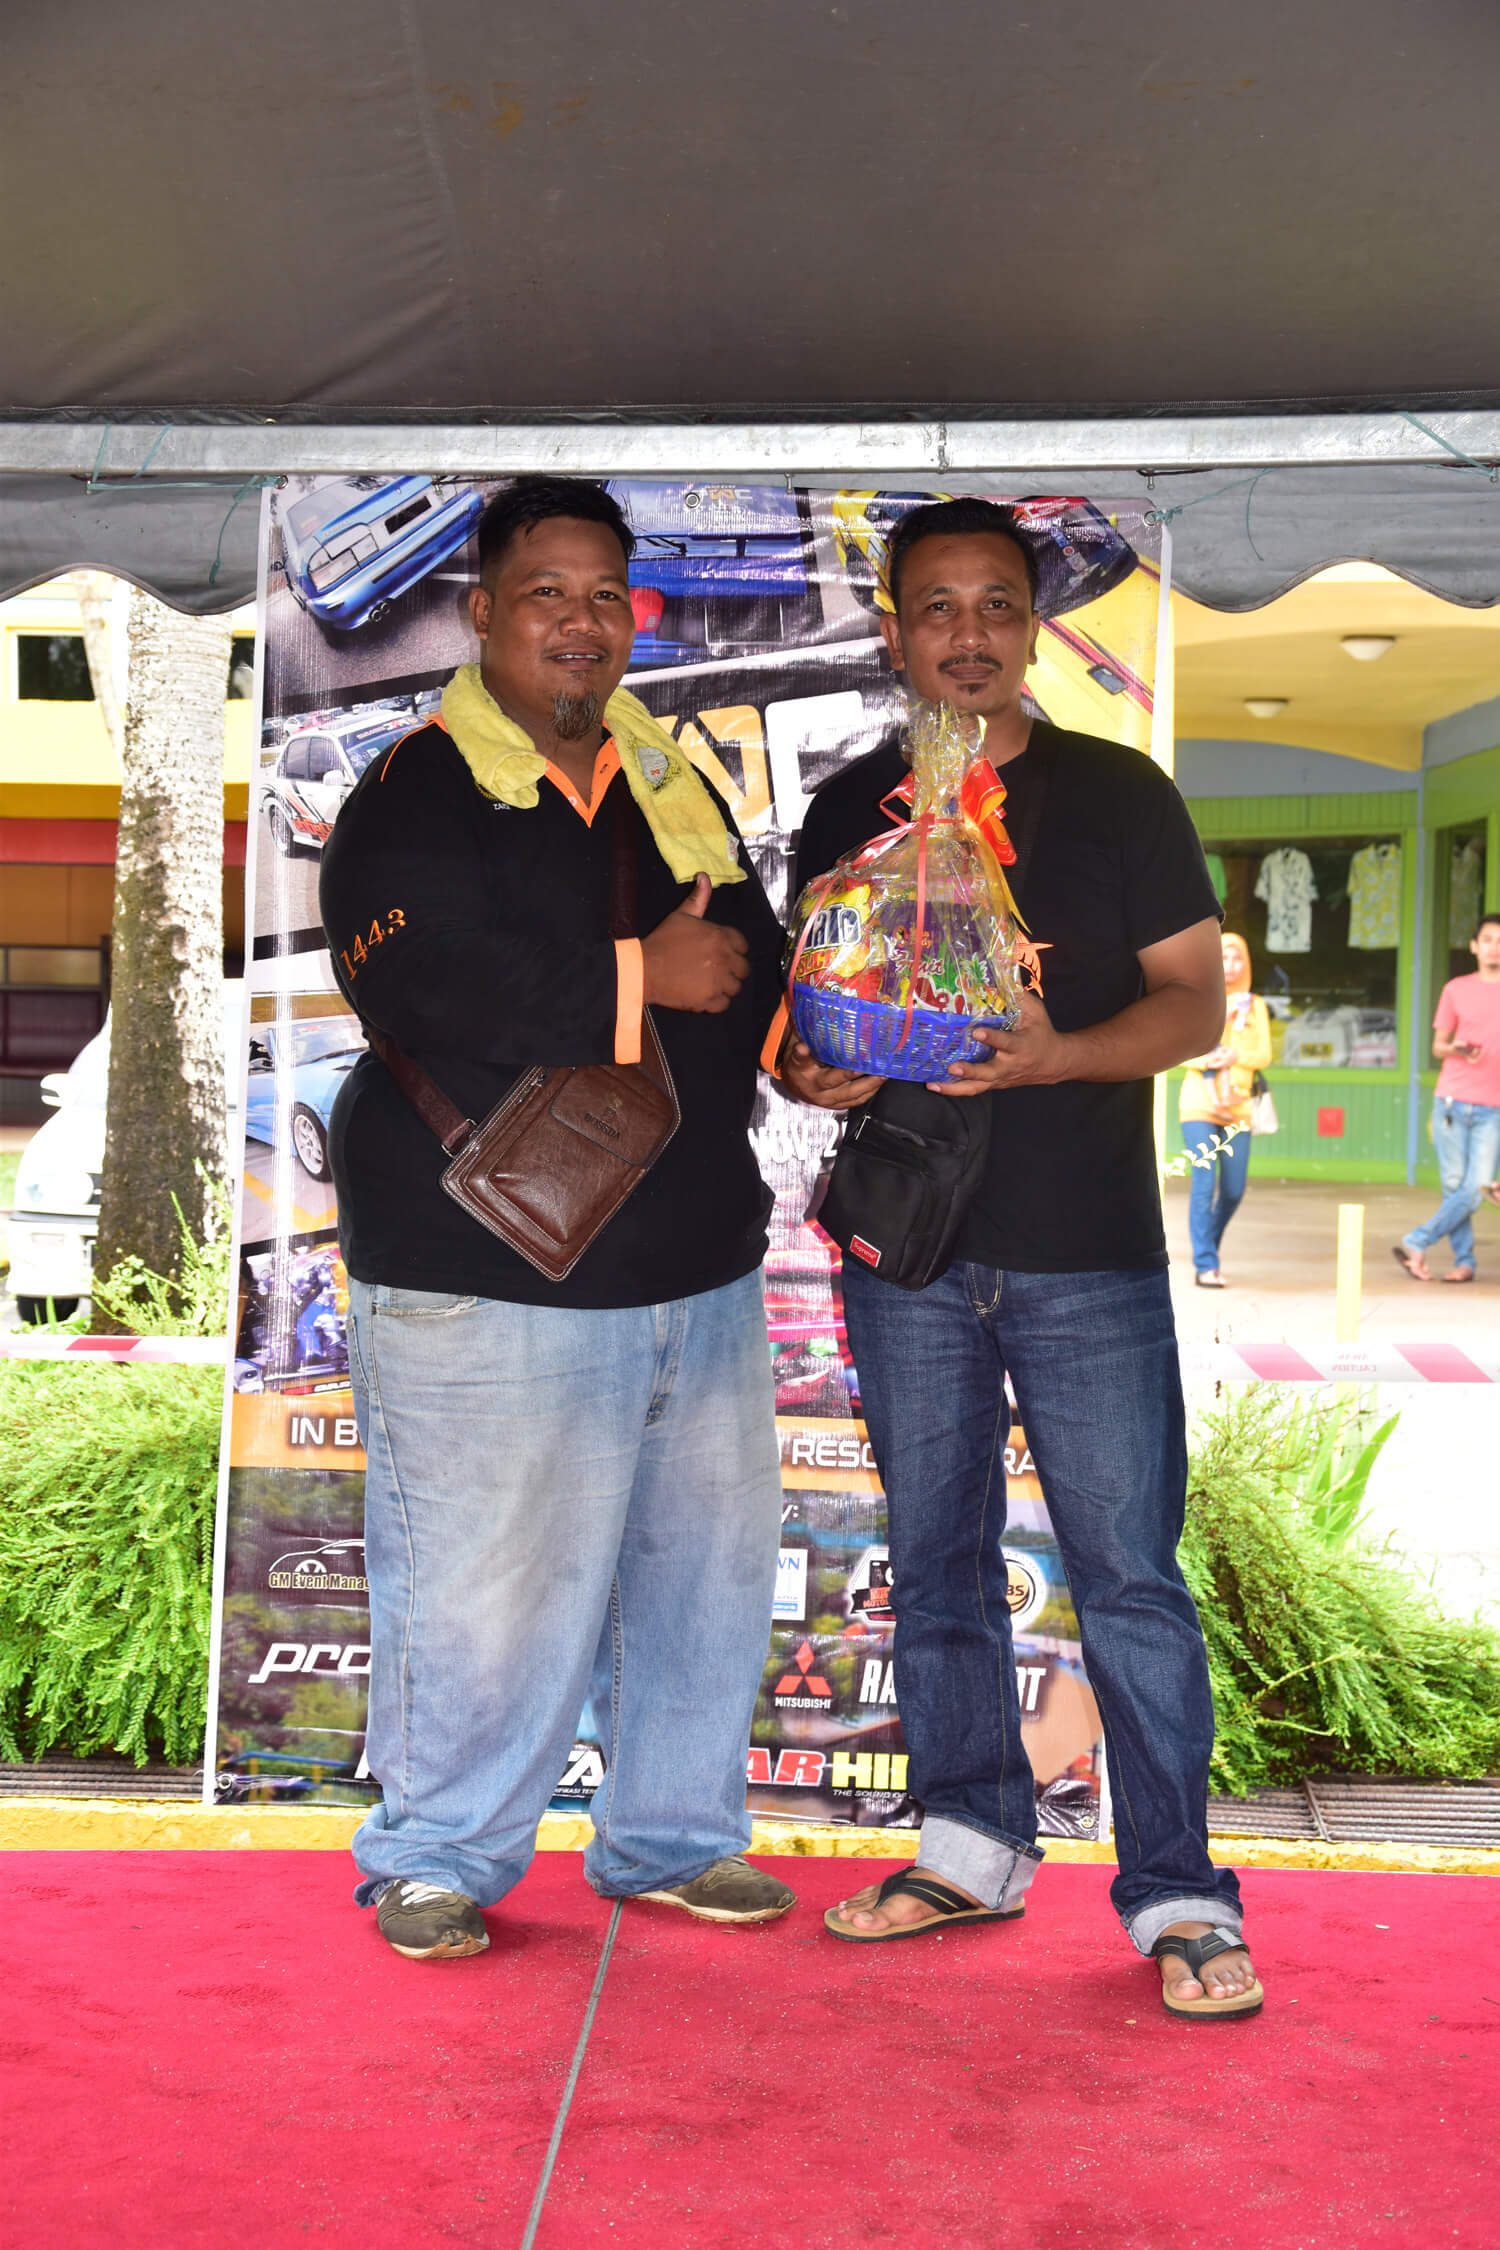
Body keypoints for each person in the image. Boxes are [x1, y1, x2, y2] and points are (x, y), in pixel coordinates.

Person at [781, 496, 1261, 2020]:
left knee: (1129, 1576)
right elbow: (805, 1028)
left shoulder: (1119, 795)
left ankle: (1179, 1889)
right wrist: (816, 1069)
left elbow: (1194, 1002)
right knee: (933, 1561)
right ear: (894, 630)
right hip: (911, 1254)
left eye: (998, 603)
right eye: (938, 606)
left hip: (1087, 1255)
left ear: (1035, 626)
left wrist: (1058, 1054)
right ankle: (971, 1841)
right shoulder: (851, 811)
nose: (969, 633)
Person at [319, 476, 796, 1960]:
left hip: (694, 1259)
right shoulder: (416, 787)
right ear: (482, 614)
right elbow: (419, 981)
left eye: (605, 596)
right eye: (546, 593)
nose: (581, 622)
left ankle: (671, 1838)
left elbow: (749, 961)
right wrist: (642, 973)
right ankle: (437, 1856)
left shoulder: (670, 779)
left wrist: (813, 1043)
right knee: (484, 1584)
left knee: (698, 1578)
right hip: (487, 1261)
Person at [1394, 911, 1500, 1284]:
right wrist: (1456, 1048)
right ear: (1474, 946)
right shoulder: (1456, 989)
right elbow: (1437, 1047)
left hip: (1494, 1108)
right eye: (1487, 940)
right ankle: (1465, 1261)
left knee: (1476, 1189)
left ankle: (1417, 1240)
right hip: (1452, 1102)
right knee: (1455, 1186)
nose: (1494, 947)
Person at [1177, 932, 1271, 1289]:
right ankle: (1206, 1264)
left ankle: (1208, 1247)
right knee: (1204, 1182)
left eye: (1237, 958)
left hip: (1238, 1104)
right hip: (1199, 1103)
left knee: (1233, 1189)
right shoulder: (1198, 998)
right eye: (1223, 957)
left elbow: (1264, 1055)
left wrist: (1236, 1056)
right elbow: (1179, 1050)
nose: (1230, 965)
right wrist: (1207, 1059)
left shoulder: (1256, 1005)